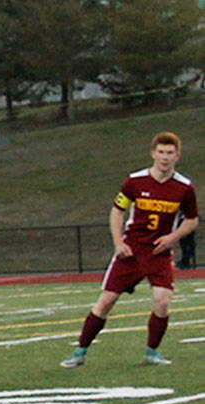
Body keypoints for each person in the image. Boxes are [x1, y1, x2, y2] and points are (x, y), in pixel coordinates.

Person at [61, 131, 198, 368]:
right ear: (153, 153)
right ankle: (80, 351)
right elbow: (117, 211)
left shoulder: (184, 188)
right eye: (161, 152)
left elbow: (192, 219)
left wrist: (172, 237)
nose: (165, 158)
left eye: (170, 153)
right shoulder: (135, 181)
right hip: (132, 251)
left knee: (162, 301)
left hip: (159, 253)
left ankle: (152, 352)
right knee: (106, 301)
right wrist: (118, 243)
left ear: (178, 156)